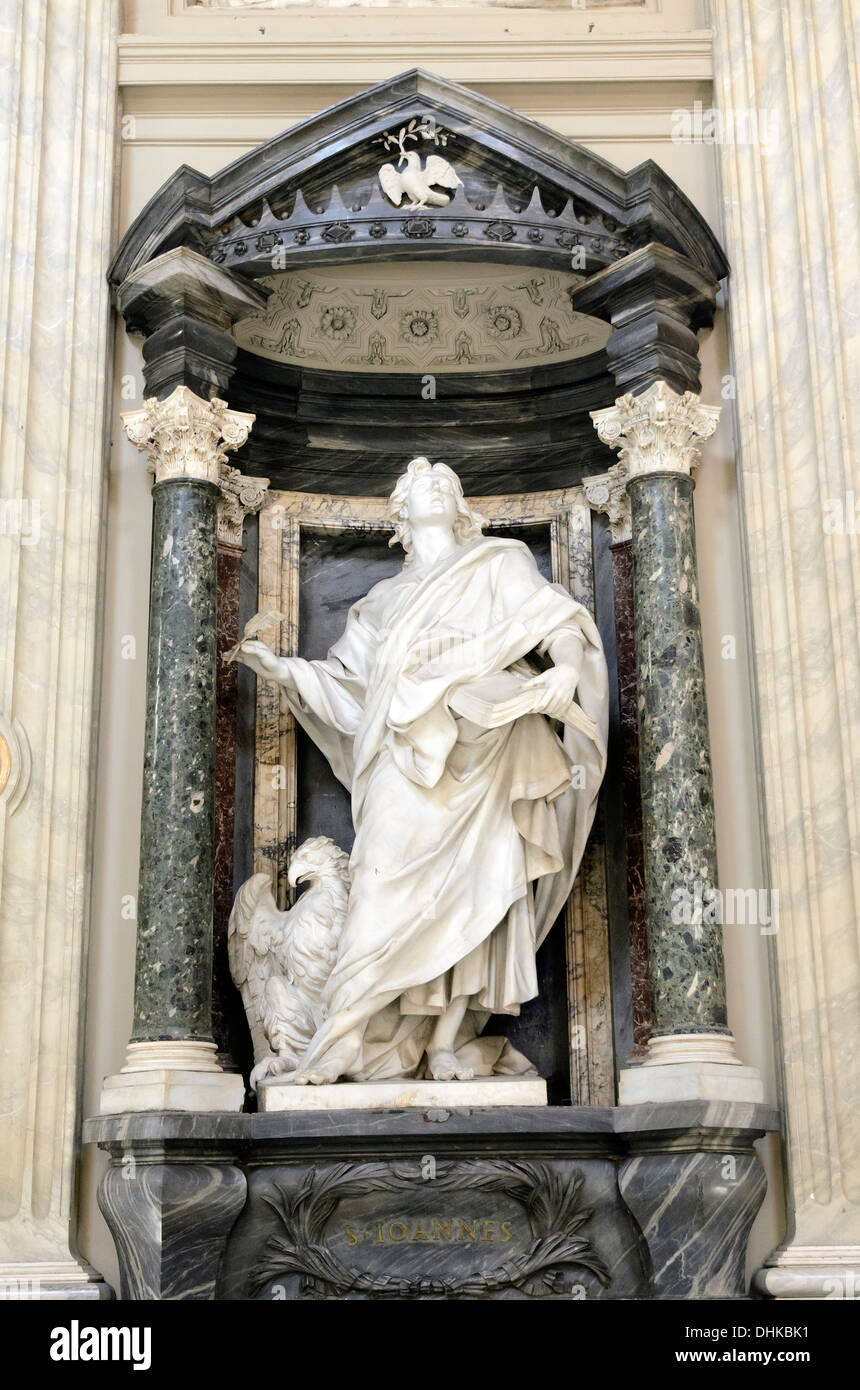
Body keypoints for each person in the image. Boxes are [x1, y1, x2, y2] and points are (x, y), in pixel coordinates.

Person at [237, 457, 608, 1083]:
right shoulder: (382, 601)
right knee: (378, 887)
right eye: (419, 485)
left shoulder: (498, 564)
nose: (435, 486)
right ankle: (339, 1044)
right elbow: (351, 689)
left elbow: (559, 621)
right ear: (399, 515)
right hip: (402, 758)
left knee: (481, 890)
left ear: (461, 505)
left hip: (490, 743)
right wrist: (284, 671)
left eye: (446, 482)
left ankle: (443, 1043)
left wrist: (565, 671)